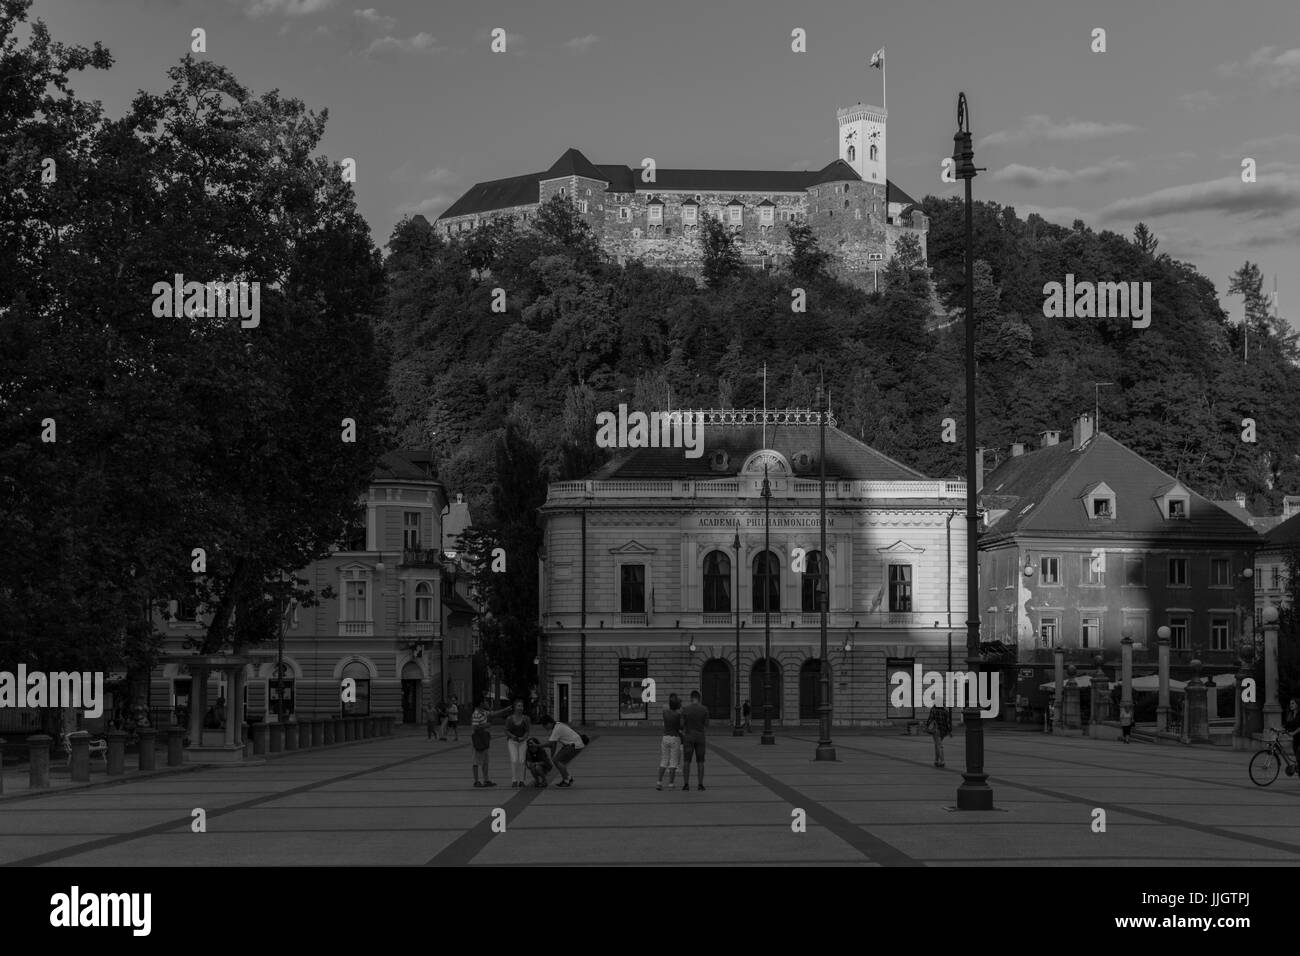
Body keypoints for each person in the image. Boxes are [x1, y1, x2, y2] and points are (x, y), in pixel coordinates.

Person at [470, 697, 513, 788]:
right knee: (476, 761)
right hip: (478, 739)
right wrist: (485, 725)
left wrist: (505, 710)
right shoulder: (476, 714)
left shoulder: (483, 712)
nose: (486, 703)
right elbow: (474, 727)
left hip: (484, 738)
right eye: (485, 701)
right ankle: (476, 781)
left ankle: (486, 780)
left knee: (485, 761)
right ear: (481, 703)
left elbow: (493, 714)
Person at [540, 714, 584, 787]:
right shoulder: (558, 725)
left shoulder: (557, 729)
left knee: (558, 761)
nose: (545, 728)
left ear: (549, 723)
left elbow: (550, 743)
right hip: (575, 744)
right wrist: (552, 755)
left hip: (574, 745)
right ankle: (568, 778)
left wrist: (537, 746)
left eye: (545, 726)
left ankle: (566, 780)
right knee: (557, 761)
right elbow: (554, 744)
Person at [679, 690, 709, 791]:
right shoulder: (704, 709)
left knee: (686, 761)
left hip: (689, 736)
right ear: (699, 698)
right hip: (700, 736)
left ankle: (686, 785)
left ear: (691, 698)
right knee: (700, 762)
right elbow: (706, 724)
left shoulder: (686, 709)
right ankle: (700, 785)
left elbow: (682, 725)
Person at [657, 693, 683, 790]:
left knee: (663, 760)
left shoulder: (665, 712)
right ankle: (671, 784)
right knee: (673, 762)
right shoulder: (678, 715)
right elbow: (681, 726)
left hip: (665, 737)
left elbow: (665, 706)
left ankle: (659, 782)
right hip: (674, 737)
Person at [504, 699, 532, 788]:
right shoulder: (509, 719)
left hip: (522, 741)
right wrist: (513, 737)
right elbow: (506, 730)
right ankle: (514, 780)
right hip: (512, 741)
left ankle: (522, 781)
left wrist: (523, 738)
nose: (520, 708)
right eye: (518, 706)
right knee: (514, 760)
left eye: (521, 706)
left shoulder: (526, 719)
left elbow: (527, 731)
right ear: (515, 707)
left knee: (522, 760)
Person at [1284, 699, 1300, 773]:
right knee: (1298, 759)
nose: (1291, 705)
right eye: (1290, 703)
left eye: (1293, 703)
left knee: (1299, 756)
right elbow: (1287, 725)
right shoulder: (1290, 714)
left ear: (1297, 705)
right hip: (1296, 740)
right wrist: (1277, 729)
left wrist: (1293, 732)